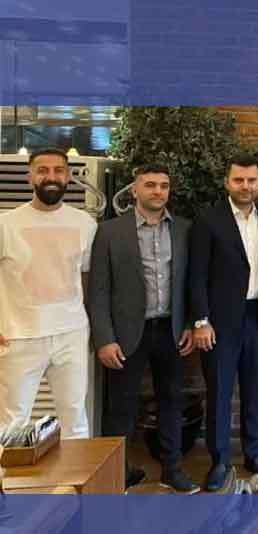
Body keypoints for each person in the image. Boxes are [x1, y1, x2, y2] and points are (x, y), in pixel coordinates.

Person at [87, 163, 199, 492]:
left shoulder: (184, 229)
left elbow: (193, 284)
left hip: (172, 330)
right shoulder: (110, 232)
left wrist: (190, 323)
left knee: (172, 401)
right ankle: (117, 474)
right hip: (125, 333)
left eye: (163, 185)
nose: (157, 191)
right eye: (150, 185)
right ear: (134, 190)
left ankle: (172, 470)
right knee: (121, 406)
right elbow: (98, 290)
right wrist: (104, 339)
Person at [190, 153, 258, 491]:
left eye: (251, 180)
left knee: (255, 390)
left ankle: (254, 454)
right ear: (227, 182)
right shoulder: (208, 220)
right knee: (220, 391)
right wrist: (200, 320)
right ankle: (220, 461)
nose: (246, 186)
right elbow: (196, 274)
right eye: (239, 180)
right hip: (220, 321)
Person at [0, 147, 97, 439]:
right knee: (12, 422)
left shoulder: (85, 224)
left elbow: (87, 277)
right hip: (19, 336)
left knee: (75, 418)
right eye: (42, 171)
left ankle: (75, 472)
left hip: (71, 334)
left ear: (68, 177)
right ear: (30, 177)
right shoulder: (6, 224)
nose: (51, 177)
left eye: (58, 170)